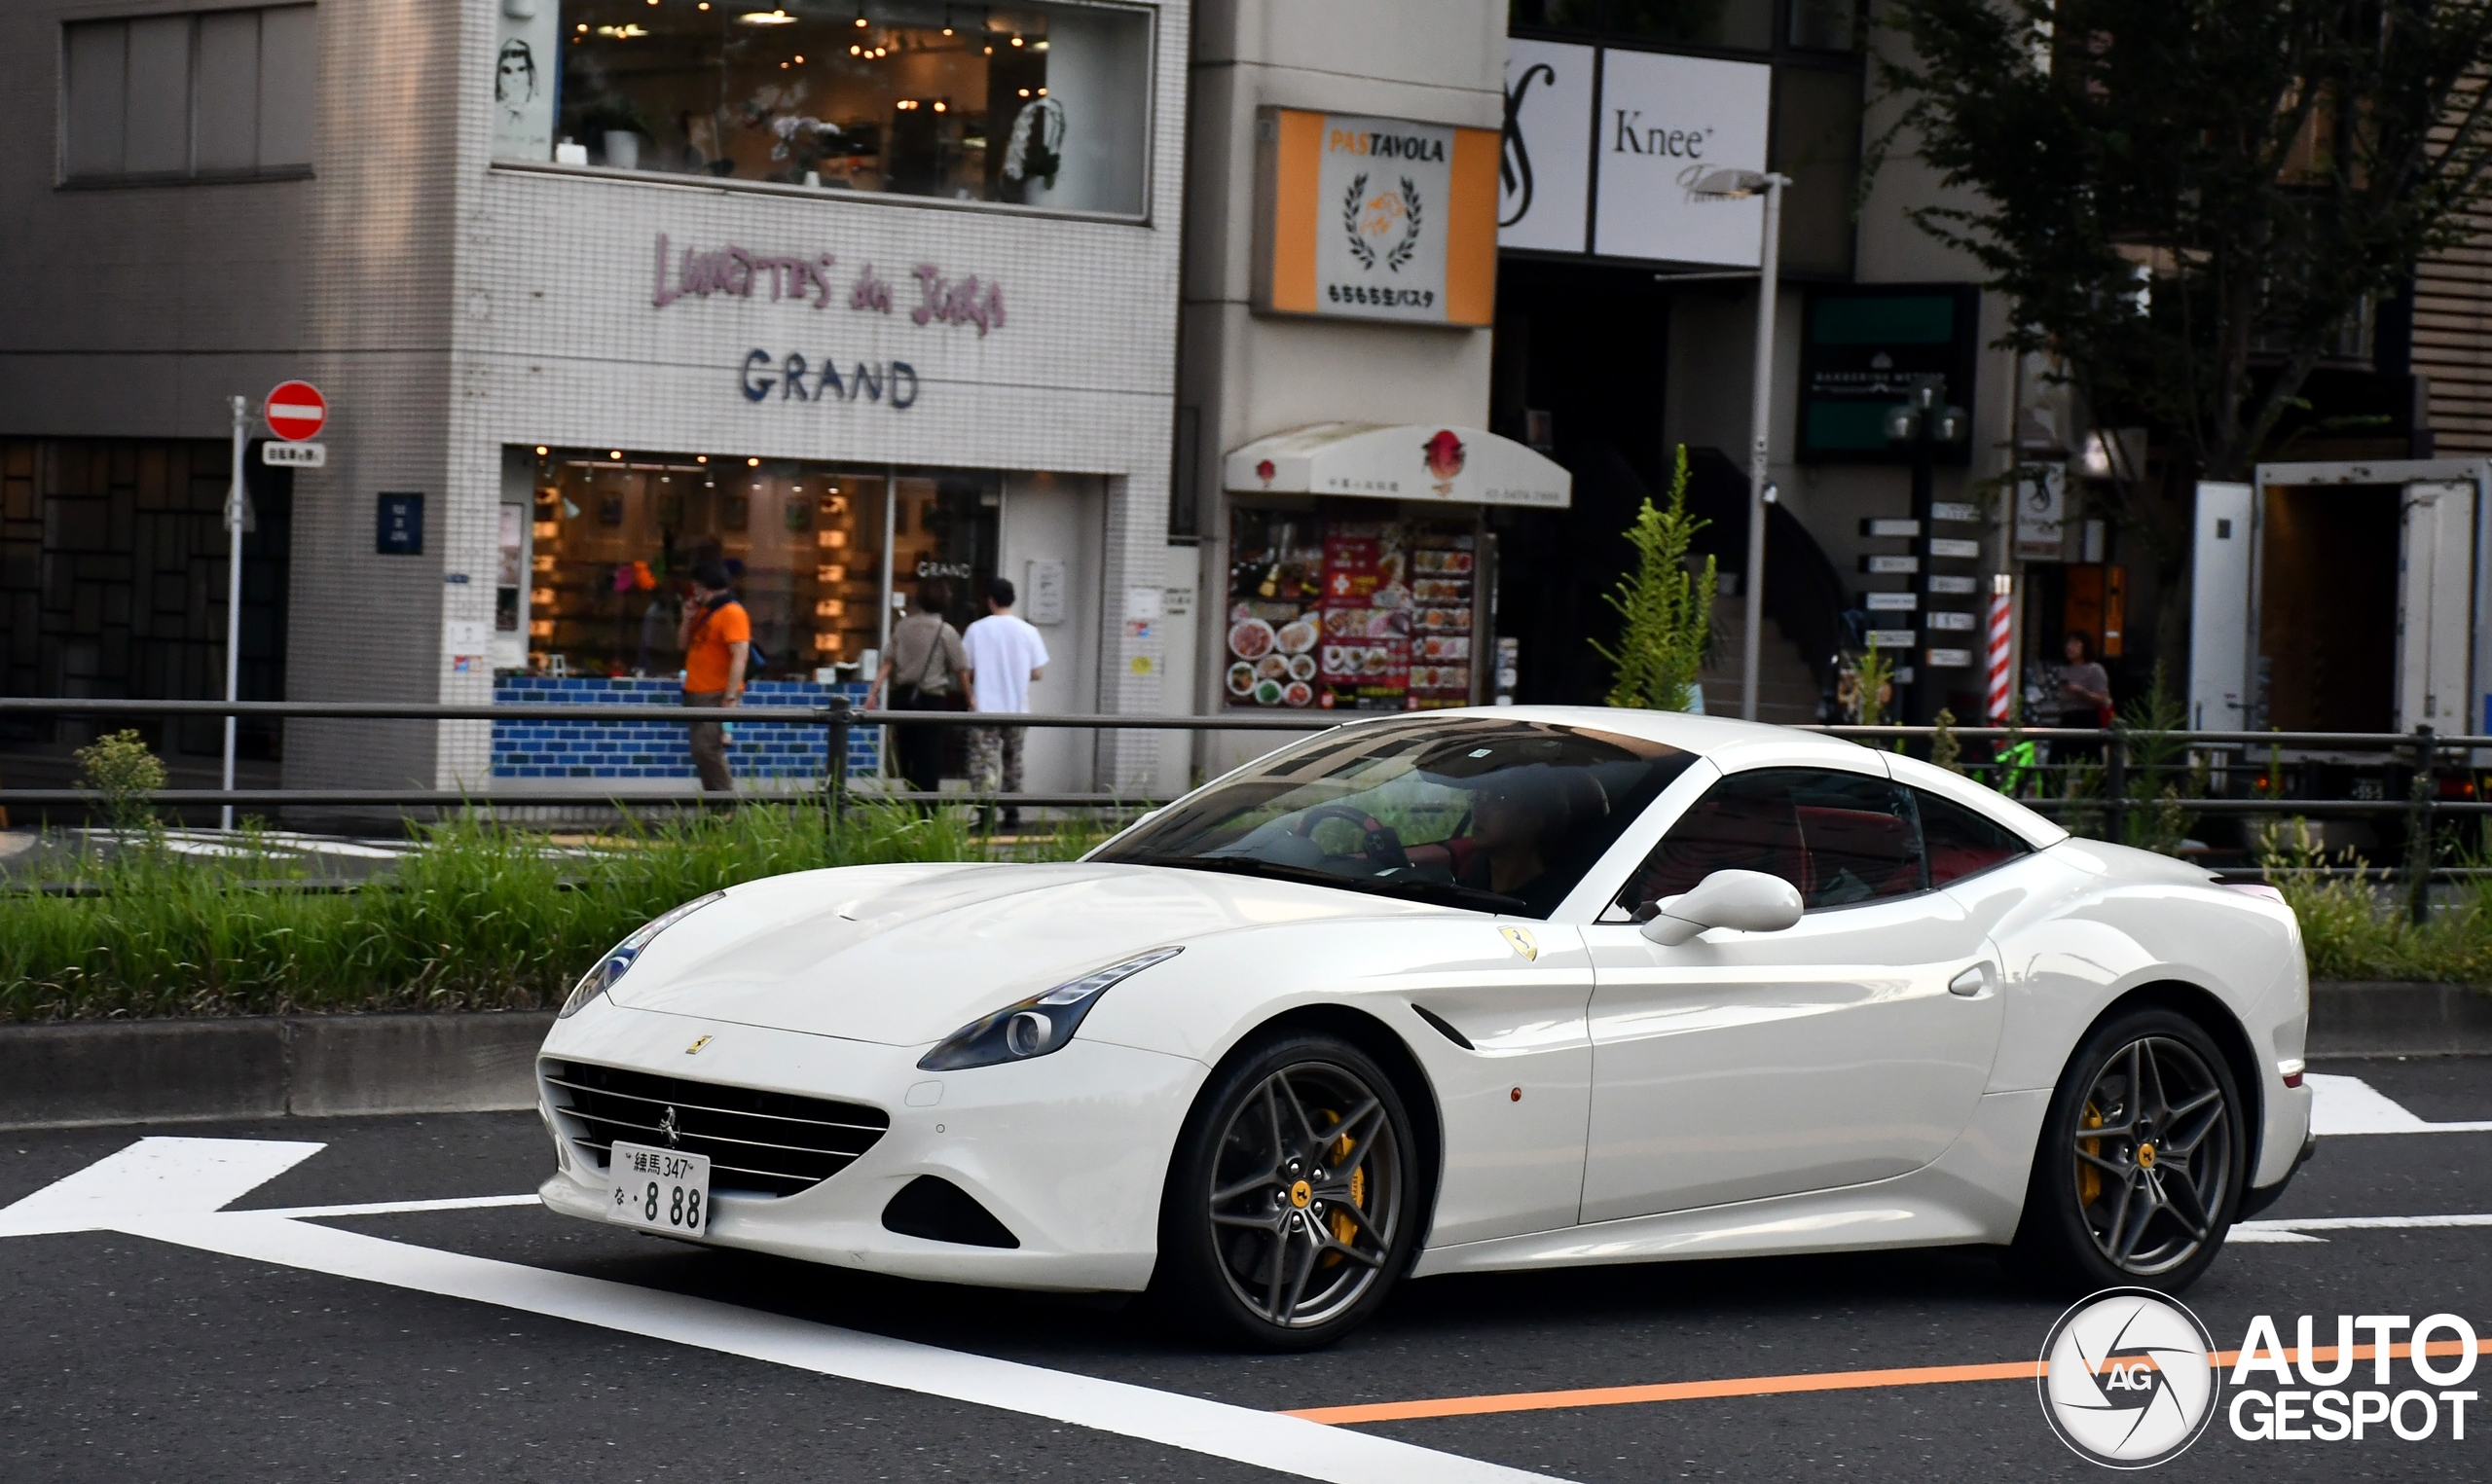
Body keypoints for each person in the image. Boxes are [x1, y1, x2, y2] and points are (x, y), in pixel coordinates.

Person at [960, 577, 1049, 828]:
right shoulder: (1028, 631)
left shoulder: (976, 630)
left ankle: (985, 814)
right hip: (1017, 709)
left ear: (989, 600)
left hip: (985, 709)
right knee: (1013, 762)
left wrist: (971, 697)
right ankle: (1012, 813)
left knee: (982, 763)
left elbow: (964, 669)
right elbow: (1038, 672)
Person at [867, 579, 969, 795]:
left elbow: (888, 662)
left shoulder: (903, 626)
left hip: (902, 698)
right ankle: (927, 808)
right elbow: (961, 669)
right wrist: (970, 699)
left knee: (906, 753)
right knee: (929, 757)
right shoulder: (946, 631)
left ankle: (909, 799)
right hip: (932, 700)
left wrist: (873, 693)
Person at [678, 562, 751, 794]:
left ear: (703, 587)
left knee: (707, 749)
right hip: (697, 691)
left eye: (696, 587)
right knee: (701, 751)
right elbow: (682, 646)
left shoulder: (732, 612)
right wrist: (687, 618)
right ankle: (716, 805)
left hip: (717, 691)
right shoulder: (705, 612)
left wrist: (729, 697)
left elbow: (740, 655)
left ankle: (725, 806)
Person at [2055, 631, 2113, 762]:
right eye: (2068, 643)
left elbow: (2102, 698)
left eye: (2075, 644)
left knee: (2090, 760)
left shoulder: (2095, 670)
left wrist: (2082, 692)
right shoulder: (2063, 670)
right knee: (2057, 759)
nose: (2069, 647)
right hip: (2067, 718)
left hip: (2087, 718)